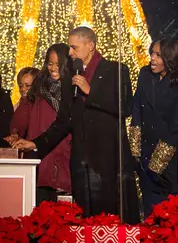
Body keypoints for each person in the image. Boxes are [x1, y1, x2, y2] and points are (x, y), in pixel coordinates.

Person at [12, 27, 139, 222]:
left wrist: (91, 91)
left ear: (90, 46)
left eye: (73, 47)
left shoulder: (116, 70)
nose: (69, 52)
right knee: (83, 220)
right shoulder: (70, 77)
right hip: (81, 163)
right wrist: (36, 143)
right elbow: (64, 122)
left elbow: (126, 107)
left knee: (111, 219)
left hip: (109, 160)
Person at [128, 37, 178, 216]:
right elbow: (136, 110)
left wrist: (156, 165)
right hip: (145, 158)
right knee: (151, 217)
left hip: (171, 164)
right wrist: (135, 152)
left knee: (173, 220)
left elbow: (175, 127)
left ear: (171, 57)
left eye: (158, 55)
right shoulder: (145, 75)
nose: (152, 58)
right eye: (152, 53)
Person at [10, 44, 72, 205]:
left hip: (65, 150)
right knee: (41, 206)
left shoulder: (73, 88)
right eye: (50, 63)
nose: (53, 68)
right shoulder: (38, 87)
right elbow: (23, 114)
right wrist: (15, 132)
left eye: (59, 64)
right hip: (40, 151)